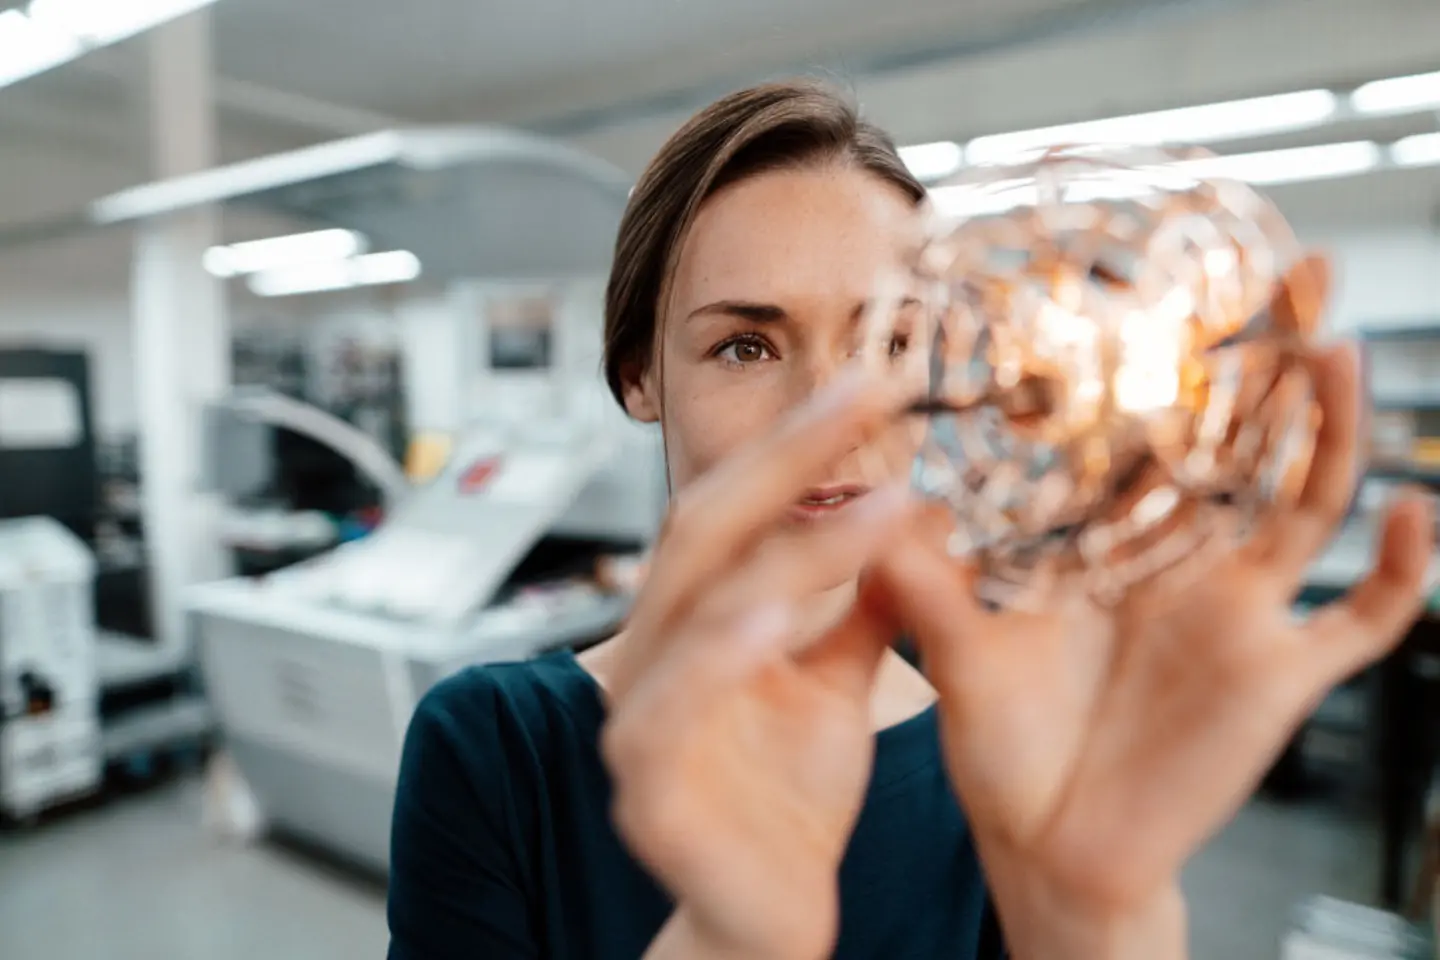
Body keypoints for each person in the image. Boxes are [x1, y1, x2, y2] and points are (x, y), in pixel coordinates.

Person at [385, 79, 1434, 960]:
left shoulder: (1007, 753)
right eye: (746, 346)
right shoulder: (494, 750)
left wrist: (1096, 921)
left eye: (888, 342)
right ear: (637, 375)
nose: (828, 417)